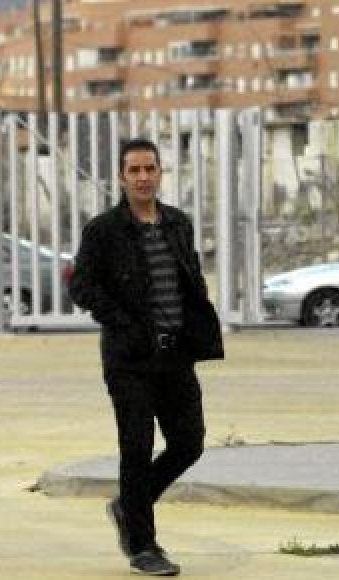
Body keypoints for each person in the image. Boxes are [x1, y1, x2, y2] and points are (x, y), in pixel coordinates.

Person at [68, 138, 223, 577]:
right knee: (136, 449)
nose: (142, 177)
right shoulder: (103, 230)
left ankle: (128, 506)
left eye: (149, 168)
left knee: (188, 443)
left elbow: (189, 277)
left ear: (160, 172)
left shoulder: (178, 223)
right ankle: (143, 546)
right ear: (121, 177)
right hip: (130, 358)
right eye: (133, 170)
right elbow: (81, 286)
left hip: (176, 355)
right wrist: (122, 322)